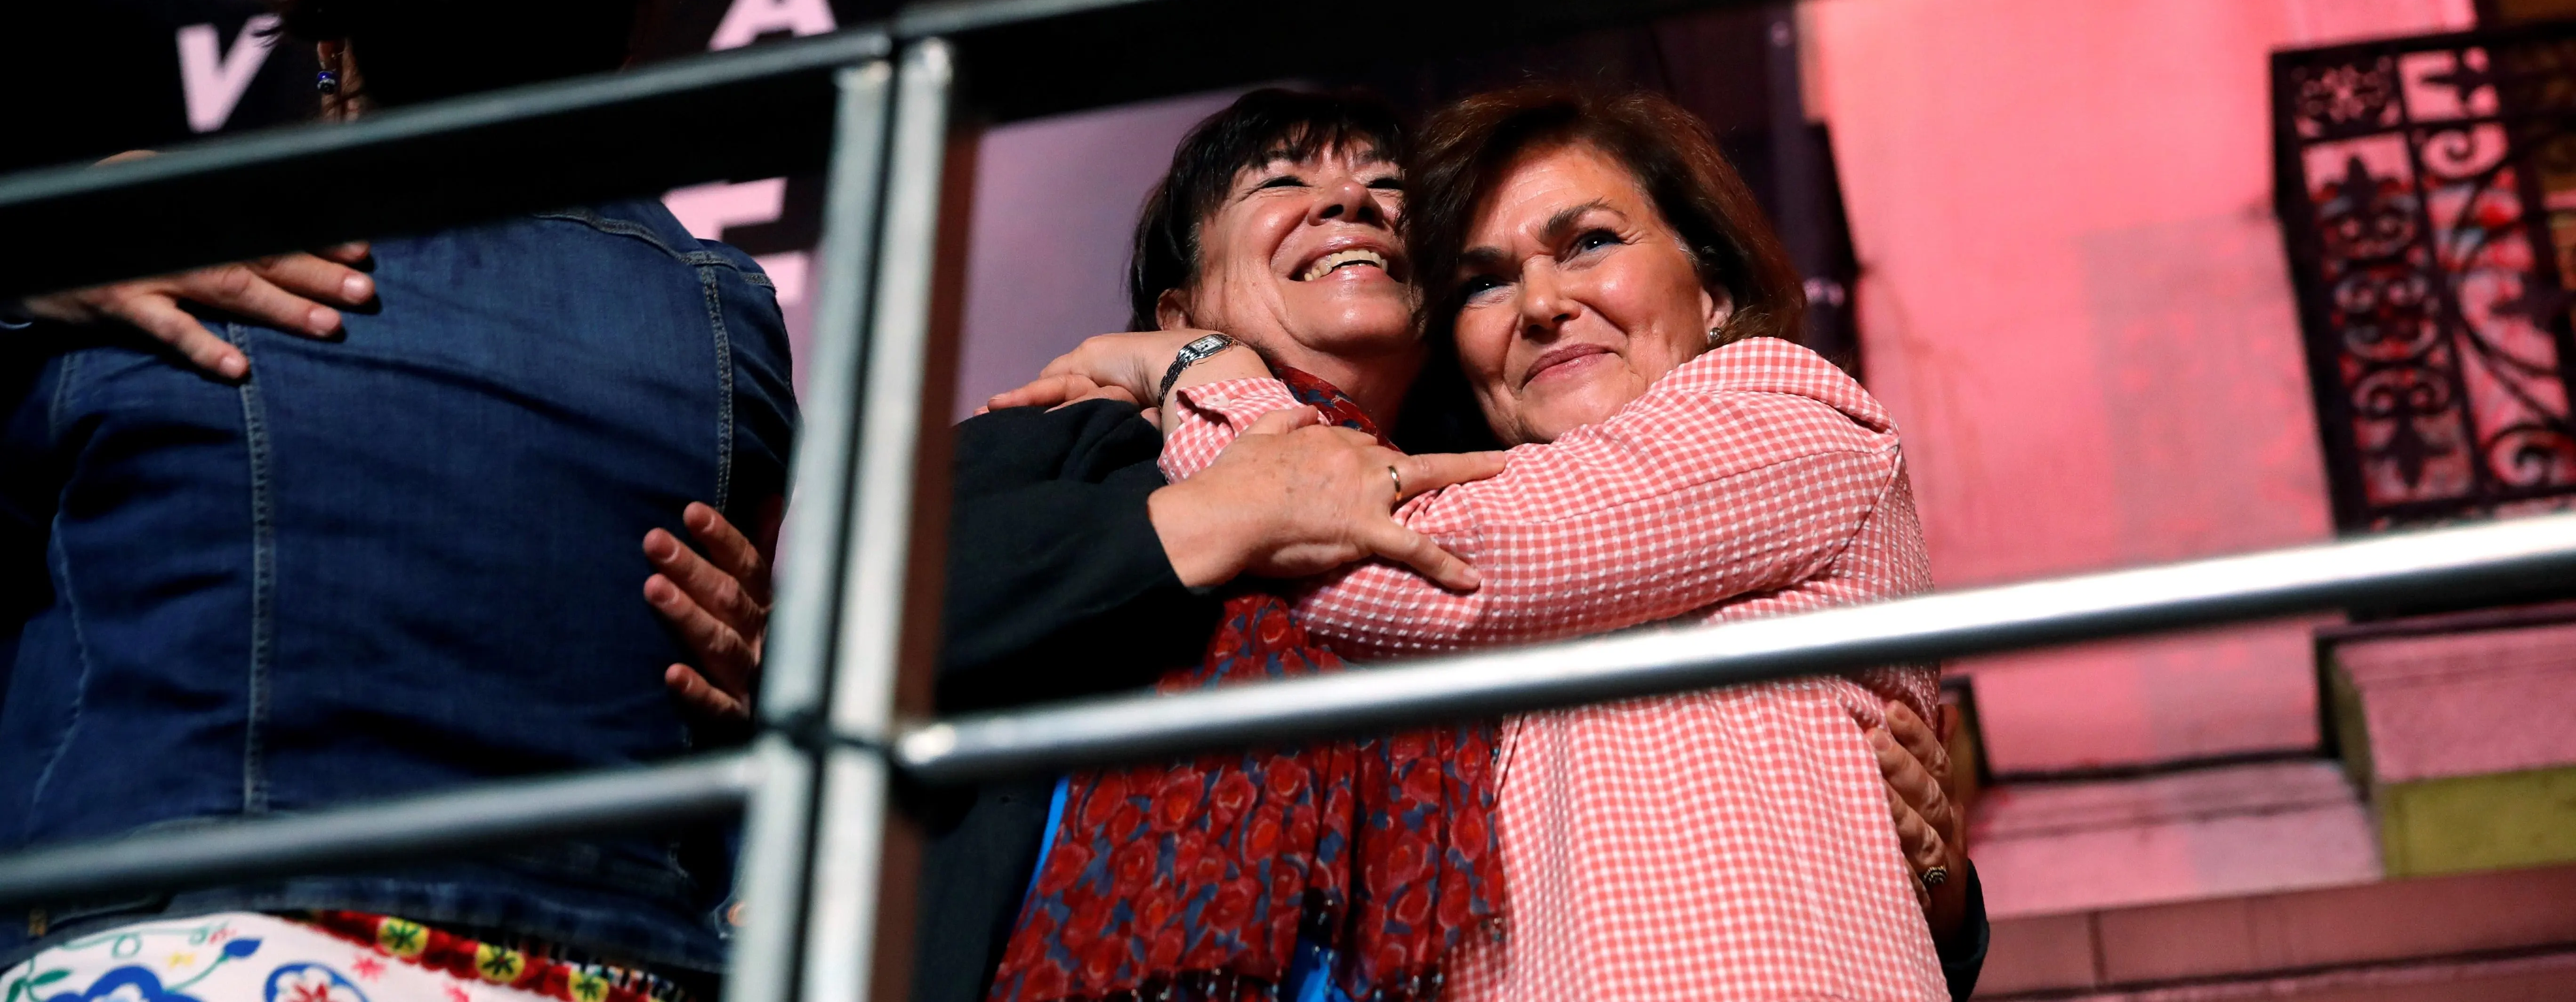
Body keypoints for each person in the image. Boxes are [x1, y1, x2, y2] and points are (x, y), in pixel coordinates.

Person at [671, 88, 1985, 1000]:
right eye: (1285, 181)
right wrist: (1205, 505)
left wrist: (1933, 877)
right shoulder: (1069, 444)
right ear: (1182, 299)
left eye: (1385, 195)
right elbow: (833, 636)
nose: (1347, 203)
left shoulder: (1530, 498)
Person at [0, 0, 794, 1002]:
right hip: (610, 964)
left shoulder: (143, 255)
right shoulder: (721, 313)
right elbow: (725, 658)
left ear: (335, 42)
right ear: (625, 32)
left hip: (190, 942)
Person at [1122, 85, 1955, 999]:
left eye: (1590, 242)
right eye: (1484, 281)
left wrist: (1202, 370)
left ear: (1712, 289)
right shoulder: (1522, 513)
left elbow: (1367, 564)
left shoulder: (1786, 411)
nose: (1542, 303)